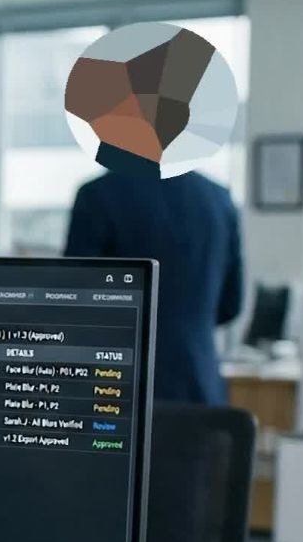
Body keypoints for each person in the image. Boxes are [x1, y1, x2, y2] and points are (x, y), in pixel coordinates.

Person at [63, 143, 242, 405]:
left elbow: (75, 302)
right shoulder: (219, 199)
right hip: (200, 388)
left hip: (119, 385)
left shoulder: (98, 196)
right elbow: (231, 305)